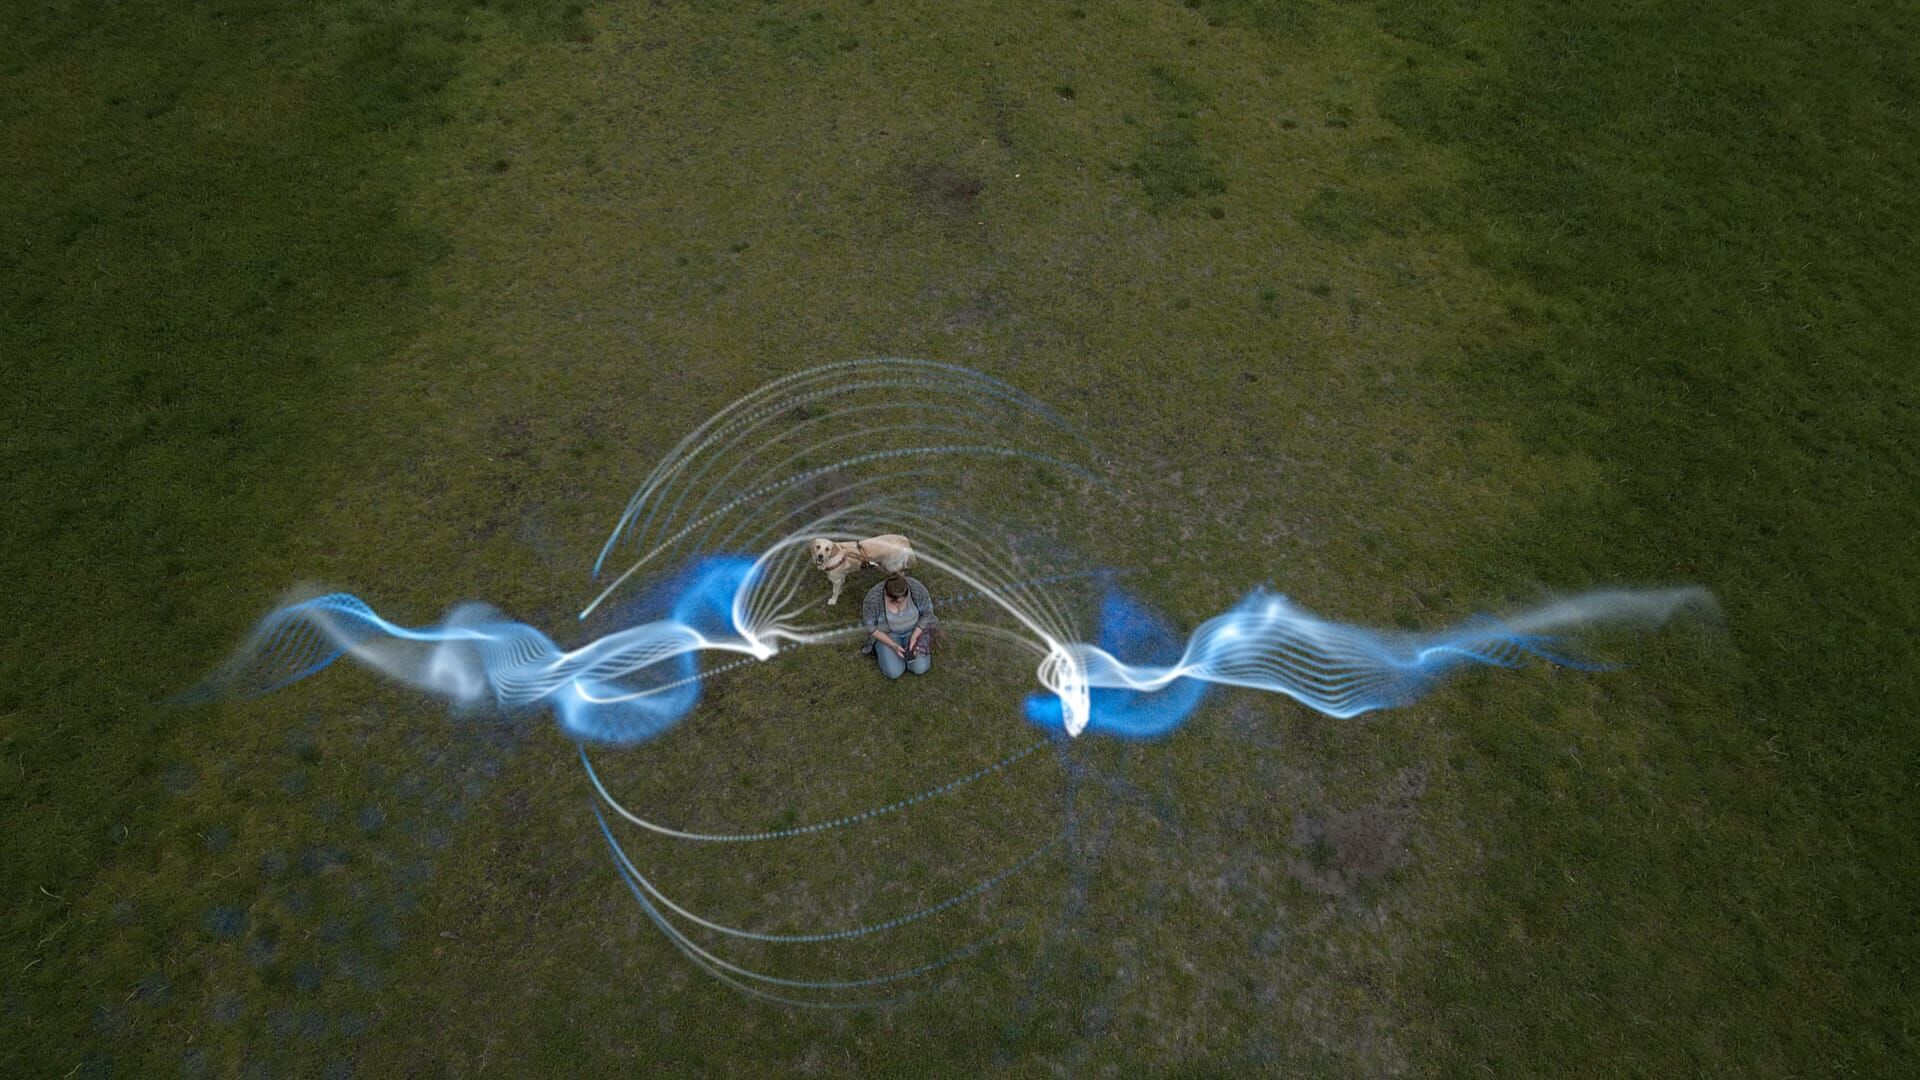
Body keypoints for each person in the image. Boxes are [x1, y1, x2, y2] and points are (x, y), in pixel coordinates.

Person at [862, 572, 936, 679]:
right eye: (892, 601)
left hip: (914, 630)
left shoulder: (917, 589)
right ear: (885, 593)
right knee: (894, 672)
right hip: (888, 634)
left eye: (901, 601)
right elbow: (871, 627)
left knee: (920, 668)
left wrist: (915, 637)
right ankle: (884, 650)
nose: (897, 604)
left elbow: (927, 614)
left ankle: (908, 654)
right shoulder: (873, 599)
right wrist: (893, 645)